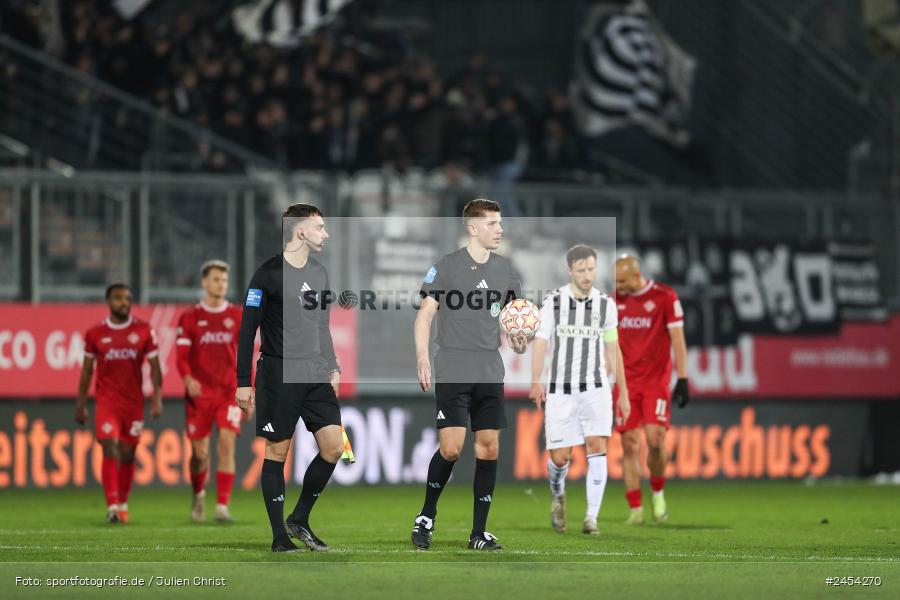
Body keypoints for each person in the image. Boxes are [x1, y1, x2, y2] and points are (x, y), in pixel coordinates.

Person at [411, 198, 530, 552]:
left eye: (500, 223)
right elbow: (424, 317)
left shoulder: (507, 272)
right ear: (472, 227)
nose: (500, 229)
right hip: (453, 364)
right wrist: (422, 356)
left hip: (488, 367)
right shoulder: (446, 268)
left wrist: (520, 342)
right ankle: (426, 516)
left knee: (489, 447)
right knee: (450, 449)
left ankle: (478, 532)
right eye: (493, 223)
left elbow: (514, 327)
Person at [235, 203, 343, 553]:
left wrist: (333, 365)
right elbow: (247, 329)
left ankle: (299, 518)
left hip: (314, 371)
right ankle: (280, 537)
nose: (325, 234)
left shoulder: (320, 273)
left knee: (334, 447)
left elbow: (322, 325)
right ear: (300, 231)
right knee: (277, 452)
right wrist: (243, 381)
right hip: (278, 371)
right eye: (320, 227)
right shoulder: (266, 275)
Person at [529, 245, 630, 534]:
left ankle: (591, 518)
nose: (587, 275)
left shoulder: (605, 305)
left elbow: (614, 349)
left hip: (595, 389)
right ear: (570, 270)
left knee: (597, 447)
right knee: (561, 458)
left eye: (591, 269)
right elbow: (541, 342)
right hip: (561, 390)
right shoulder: (554, 302)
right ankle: (558, 494)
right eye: (581, 270)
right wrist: (535, 381)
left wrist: (622, 392)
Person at [75, 284, 162, 524]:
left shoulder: (143, 330)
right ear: (108, 301)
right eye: (118, 298)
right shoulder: (95, 334)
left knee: (127, 453)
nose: (124, 302)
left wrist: (157, 397)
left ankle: (123, 504)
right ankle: (112, 506)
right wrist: (80, 403)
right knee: (110, 446)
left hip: (133, 403)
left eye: (127, 298)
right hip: (107, 402)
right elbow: (86, 371)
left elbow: (155, 368)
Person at [614, 254, 689, 524]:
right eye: (616, 281)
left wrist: (683, 378)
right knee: (629, 444)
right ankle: (635, 509)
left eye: (622, 281)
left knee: (655, 441)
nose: (618, 286)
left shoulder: (665, 297)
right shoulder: (613, 302)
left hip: (655, 381)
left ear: (637, 276)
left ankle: (657, 493)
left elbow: (678, 339)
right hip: (625, 383)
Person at [176, 260, 244, 523]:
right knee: (199, 454)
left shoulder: (237, 316)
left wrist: (247, 389)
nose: (221, 284)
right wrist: (188, 378)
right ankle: (199, 495)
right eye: (216, 279)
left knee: (226, 445)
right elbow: (181, 357)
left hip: (228, 392)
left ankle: (222, 507)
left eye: (224, 280)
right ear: (205, 282)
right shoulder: (190, 317)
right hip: (199, 396)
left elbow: (245, 355)